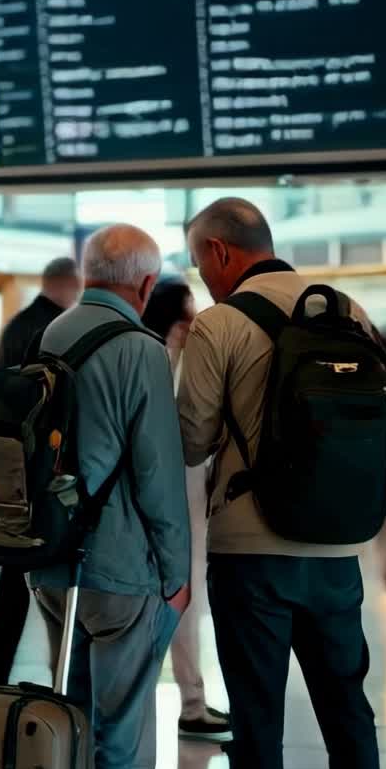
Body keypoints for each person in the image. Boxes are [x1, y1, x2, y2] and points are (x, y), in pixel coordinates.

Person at [177, 197, 383, 769]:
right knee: (349, 717)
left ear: (223, 253)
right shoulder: (349, 311)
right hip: (336, 551)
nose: (201, 277)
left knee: (258, 721)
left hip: (252, 550)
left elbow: (192, 439)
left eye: (200, 261)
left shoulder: (222, 323)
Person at [32, 225, 205, 769]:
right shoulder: (137, 350)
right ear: (143, 286)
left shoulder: (51, 336)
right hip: (122, 574)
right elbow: (161, 481)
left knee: (72, 733)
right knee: (123, 752)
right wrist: (177, 576)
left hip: (52, 567)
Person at [0, 256, 82, 685]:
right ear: (70, 285)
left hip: (3, 467)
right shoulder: (58, 331)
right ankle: (62, 682)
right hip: (39, 470)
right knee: (42, 578)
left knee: (10, 574)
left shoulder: (16, 324)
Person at [143, 279, 231, 742]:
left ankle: (188, 701)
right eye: (189, 312)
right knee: (184, 599)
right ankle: (191, 703)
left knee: (176, 601)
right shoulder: (163, 359)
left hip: (167, 500)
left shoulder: (154, 356)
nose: (195, 320)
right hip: (181, 501)